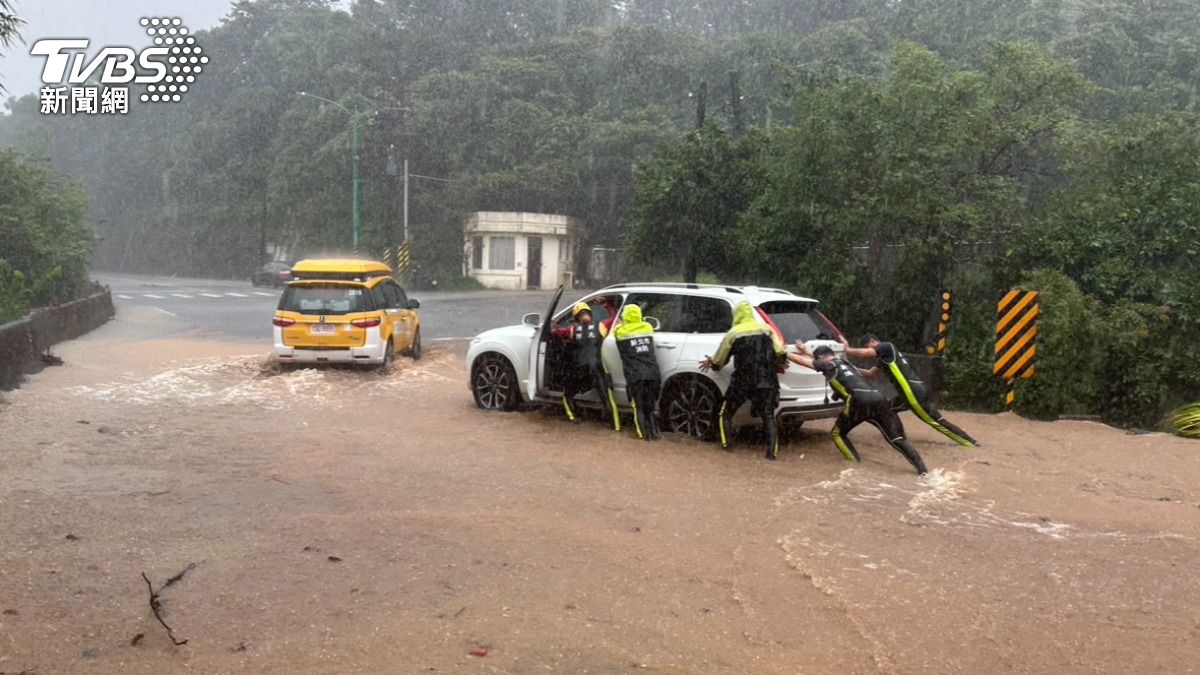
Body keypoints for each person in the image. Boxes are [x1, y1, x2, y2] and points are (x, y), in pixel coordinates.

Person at [788, 343, 929, 475]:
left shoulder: (828, 365)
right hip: (879, 398)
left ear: (821, 358)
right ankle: (922, 470)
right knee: (896, 439)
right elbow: (866, 374)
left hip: (859, 402)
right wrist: (805, 351)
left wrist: (784, 352)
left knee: (838, 433)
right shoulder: (846, 364)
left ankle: (855, 467)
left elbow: (802, 361)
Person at [841, 334, 979, 447]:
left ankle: (969, 443)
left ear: (873, 341)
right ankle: (901, 438)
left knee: (935, 421)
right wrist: (850, 368)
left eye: (867, 346)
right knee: (887, 410)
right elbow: (871, 374)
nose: (870, 350)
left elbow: (866, 353)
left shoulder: (886, 346)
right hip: (906, 394)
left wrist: (847, 350)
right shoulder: (884, 358)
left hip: (912, 392)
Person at [699, 301, 787, 460]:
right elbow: (780, 351)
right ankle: (771, 454)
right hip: (767, 380)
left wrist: (712, 363)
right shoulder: (767, 329)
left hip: (743, 381)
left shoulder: (733, 333)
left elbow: (720, 360)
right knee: (768, 416)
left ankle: (727, 449)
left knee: (724, 413)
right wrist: (777, 362)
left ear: (737, 315)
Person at [554, 301, 619, 429]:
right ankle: (615, 427)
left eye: (584, 313)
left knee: (568, 394)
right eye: (583, 313)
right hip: (596, 367)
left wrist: (553, 327)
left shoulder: (572, 330)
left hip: (580, 369)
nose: (584, 316)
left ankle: (574, 418)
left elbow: (557, 332)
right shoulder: (601, 326)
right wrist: (608, 306)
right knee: (607, 398)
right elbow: (615, 319)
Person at [613, 303, 662, 441]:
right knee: (650, 407)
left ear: (625, 317)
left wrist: (619, 322)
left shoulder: (621, 331)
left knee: (639, 407)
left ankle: (644, 437)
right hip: (653, 373)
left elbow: (614, 332)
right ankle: (654, 435)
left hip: (636, 375)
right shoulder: (647, 327)